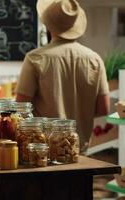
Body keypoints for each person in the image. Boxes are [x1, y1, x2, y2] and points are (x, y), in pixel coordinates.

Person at [15, 0, 110, 151]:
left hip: (43, 152)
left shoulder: (35, 58)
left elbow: (20, 108)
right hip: (80, 152)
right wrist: (79, 110)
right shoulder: (94, 59)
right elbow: (103, 108)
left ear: (47, 25)